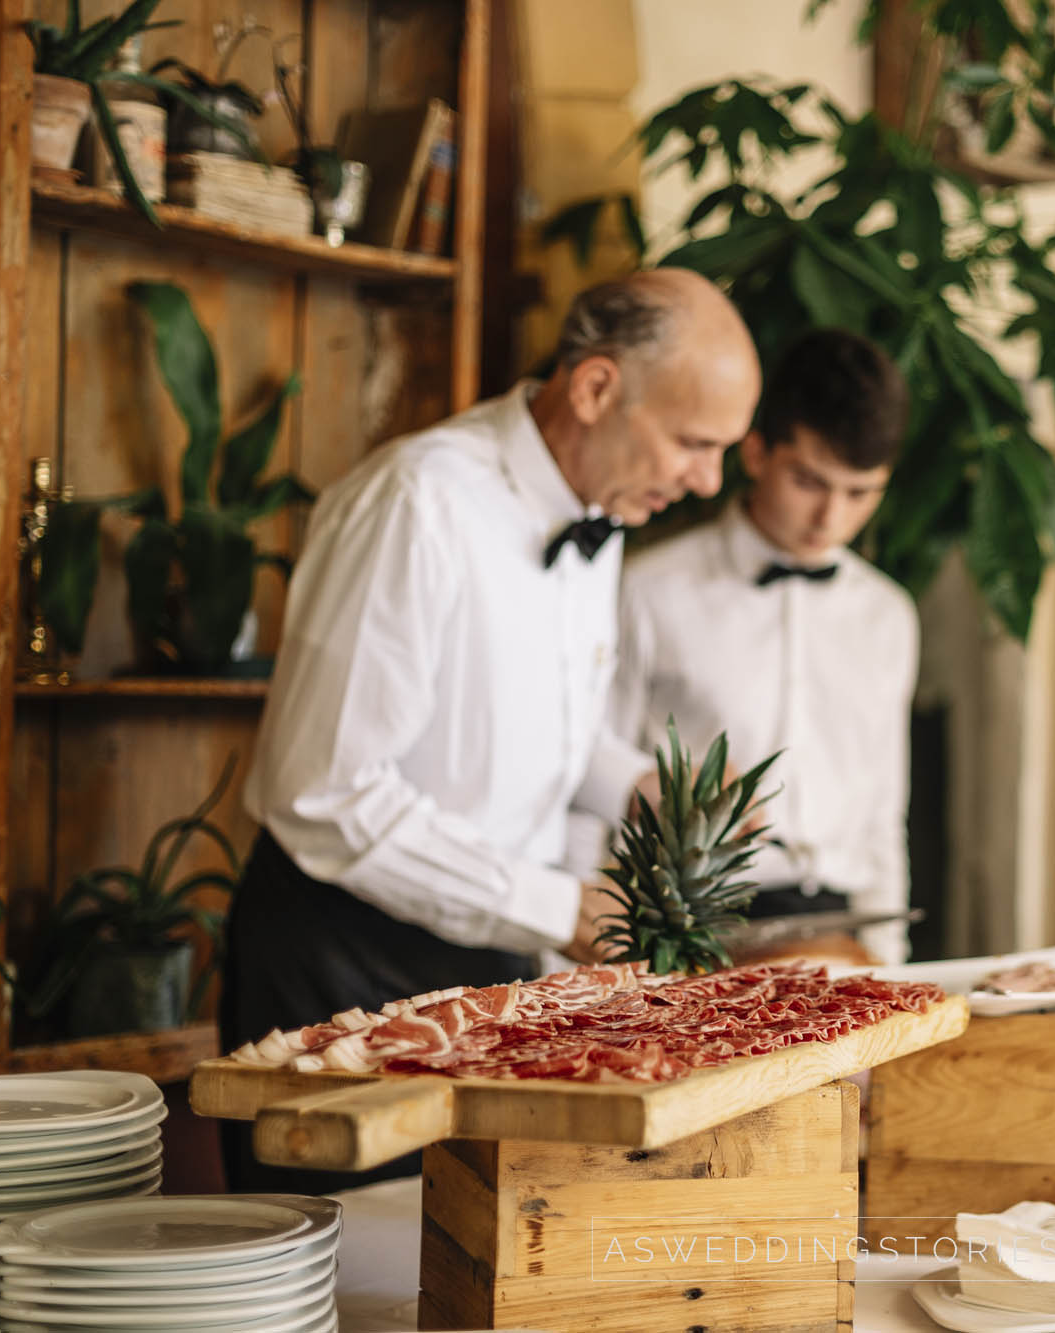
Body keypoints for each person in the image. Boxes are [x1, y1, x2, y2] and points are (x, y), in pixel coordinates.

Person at [219, 269, 760, 1192]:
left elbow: (526, 733)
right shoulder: (416, 502)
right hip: (341, 960)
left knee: (476, 1255)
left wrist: (646, 787)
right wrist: (559, 910)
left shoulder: (599, 513)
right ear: (596, 389)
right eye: (692, 443)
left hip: (489, 963)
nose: (709, 480)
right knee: (352, 1271)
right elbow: (323, 792)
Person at [600, 328, 917, 965]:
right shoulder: (647, 590)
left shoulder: (888, 615)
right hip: (687, 929)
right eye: (809, 481)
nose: (831, 518)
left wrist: (889, 959)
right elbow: (597, 775)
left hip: (842, 933)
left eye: (859, 494)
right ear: (755, 452)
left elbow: (883, 808)